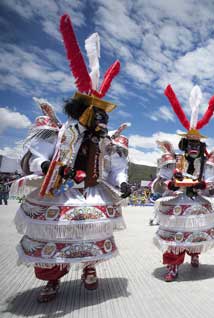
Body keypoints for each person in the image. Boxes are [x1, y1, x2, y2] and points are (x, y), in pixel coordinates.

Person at [13, 14, 130, 303]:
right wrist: (46, 167)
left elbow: (115, 169)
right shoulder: (59, 131)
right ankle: (53, 279)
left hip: (92, 191)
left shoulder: (106, 142)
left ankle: (89, 268)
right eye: (99, 116)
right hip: (59, 191)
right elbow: (32, 158)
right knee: (55, 235)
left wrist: (124, 182)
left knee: (90, 231)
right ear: (86, 113)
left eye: (106, 117)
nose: (104, 122)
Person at [153, 84, 214, 281]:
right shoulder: (174, 160)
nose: (193, 147)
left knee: (195, 232)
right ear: (184, 145)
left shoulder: (208, 163)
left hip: (197, 201)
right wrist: (170, 185)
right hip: (177, 202)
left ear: (201, 147)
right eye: (190, 143)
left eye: (196, 144)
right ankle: (173, 266)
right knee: (175, 235)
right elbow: (159, 184)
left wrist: (205, 186)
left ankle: (194, 254)